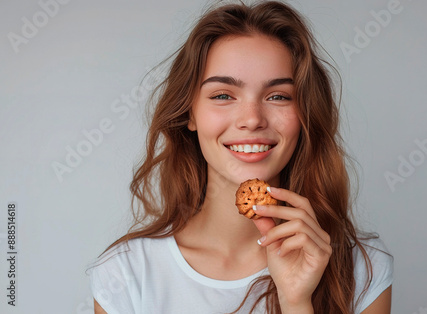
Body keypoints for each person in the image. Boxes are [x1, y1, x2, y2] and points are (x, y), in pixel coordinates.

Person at [88, 1, 393, 313]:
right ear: (190, 114)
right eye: (222, 95)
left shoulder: (362, 270)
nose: (252, 119)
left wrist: (296, 302)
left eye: (278, 96)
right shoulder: (126, 275)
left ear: (304, 117)